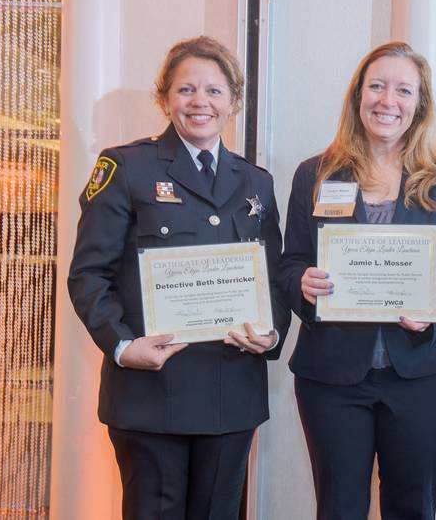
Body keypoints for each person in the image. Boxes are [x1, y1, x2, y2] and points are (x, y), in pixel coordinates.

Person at [67, 36, 289, 520]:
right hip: (151, 392)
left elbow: (273, 276)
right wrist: (123, 347)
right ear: (164, 97)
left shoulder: (256, 182)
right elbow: (89, 274)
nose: (200, 102)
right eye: (186, 89)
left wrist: (270, 334)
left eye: (213, 90)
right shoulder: (126, 167)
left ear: (233, 100)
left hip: (231, 394)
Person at [280, 41, 436, 520]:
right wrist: (302, 286)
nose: (387, 100)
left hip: (424, 373)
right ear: (357, 96)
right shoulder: (316, 172)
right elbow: (290, 262)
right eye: (376, 86)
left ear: (420, 104)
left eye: (403, 90)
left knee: (412, 506)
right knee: (339, 508)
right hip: (332, 376)